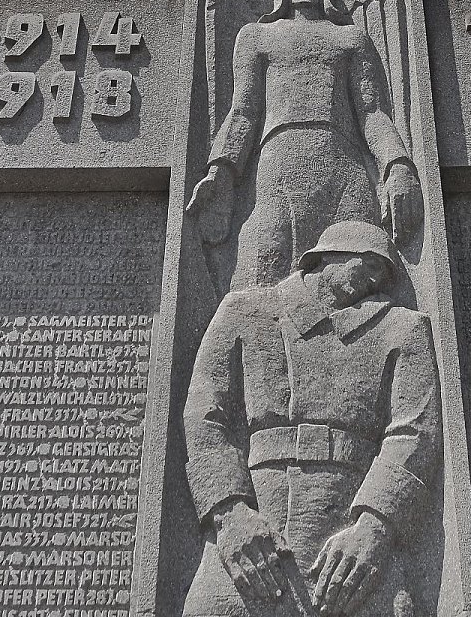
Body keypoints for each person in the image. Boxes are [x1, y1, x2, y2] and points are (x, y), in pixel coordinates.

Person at [181, 221, 441, 617]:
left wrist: (374, 529)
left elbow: (414, 433)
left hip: (353, 535)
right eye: (368, 264)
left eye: (383, 273)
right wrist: (230, 515)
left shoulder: (403, 330)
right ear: (327, 256)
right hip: (254, 529)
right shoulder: (242, 311)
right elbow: (205, 415)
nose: (374, 280)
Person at [187, 0, 422, 288]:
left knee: (353, 279)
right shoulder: (256, 37)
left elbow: (372, 113)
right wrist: (221, 170)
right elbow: (243, 110)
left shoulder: (350, 38)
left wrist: (398, 166)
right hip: (278, 166)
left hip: (343, 169)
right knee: (261, 272)